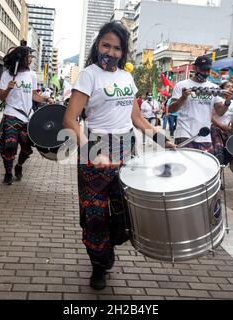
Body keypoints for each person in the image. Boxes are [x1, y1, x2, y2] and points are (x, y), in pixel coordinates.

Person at [62, 21, 174, 291]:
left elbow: (137, 119)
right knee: (95, 216)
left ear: (123, 52)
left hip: (126, 151)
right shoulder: (88, 75)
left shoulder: (126, 77)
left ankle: (106, 247)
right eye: (106, 46)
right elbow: (69, 120)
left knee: (126, 216)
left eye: (116, 48)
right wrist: (92, 151)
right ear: (97, 45)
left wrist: (161, 139)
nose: (110, 52)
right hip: (95, 151)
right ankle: (99, 265)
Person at [0, 46, 50, 185]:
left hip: (28, 117)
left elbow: (33, 95)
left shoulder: (31, 74)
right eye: (28, 57)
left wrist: (46, 99)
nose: (30, 59)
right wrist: (8, 88)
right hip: (12, 114)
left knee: (26, 149)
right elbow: (2, 97)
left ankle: (19, 166)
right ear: (19, 58)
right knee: (9, 146)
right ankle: (8, 173)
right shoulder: (7, 75)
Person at [168, 56, 233, 152]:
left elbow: (220, 112)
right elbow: (171, 109)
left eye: (208, 70)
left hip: (204, 135)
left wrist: (227, 102)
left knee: (203, 165)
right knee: (187, 165)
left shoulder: (214, 88)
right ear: (195, 68)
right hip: (184, 133)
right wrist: (183, 98)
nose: (206, 73)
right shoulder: (181, 85)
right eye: (203, 70)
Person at [211, 81, 233, 165]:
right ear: (222, 89)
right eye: (228, 86)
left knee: (226, 156)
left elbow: (231, 117)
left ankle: (220, 173)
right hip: (216, 130)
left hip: (226, 132)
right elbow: (211, 117)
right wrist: (221, 126)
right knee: (218, 155)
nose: (230, 88)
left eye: (232, 87)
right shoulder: (217, 100)